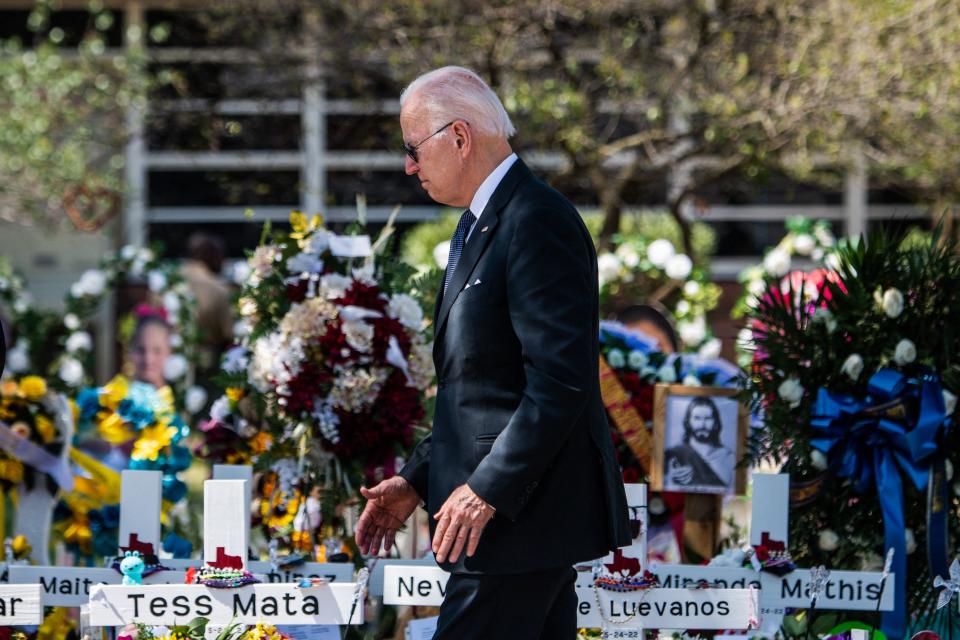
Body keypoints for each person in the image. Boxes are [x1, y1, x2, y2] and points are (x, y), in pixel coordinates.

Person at [355, 66, 631, 639]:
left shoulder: (534, 220)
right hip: (511, 525)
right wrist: (416, 479)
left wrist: (486, 490)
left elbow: (559, 380)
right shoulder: (485, 221)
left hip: (514, 523)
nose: (408, 166)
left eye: (413, 148)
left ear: (458, 137)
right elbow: (480, 389)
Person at [181, 232, 234, 372]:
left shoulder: (166, 282)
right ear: (212, 256)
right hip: (204, 365)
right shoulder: (218, 289)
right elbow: (228, 333)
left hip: (164, 361)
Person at [663, 396, 735, 489]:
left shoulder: (728, 457)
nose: (702, 424)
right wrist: (670, 478)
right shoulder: (674, 455)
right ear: (688, 422)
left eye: (708, 418)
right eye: (697, 418)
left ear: (715, 423)